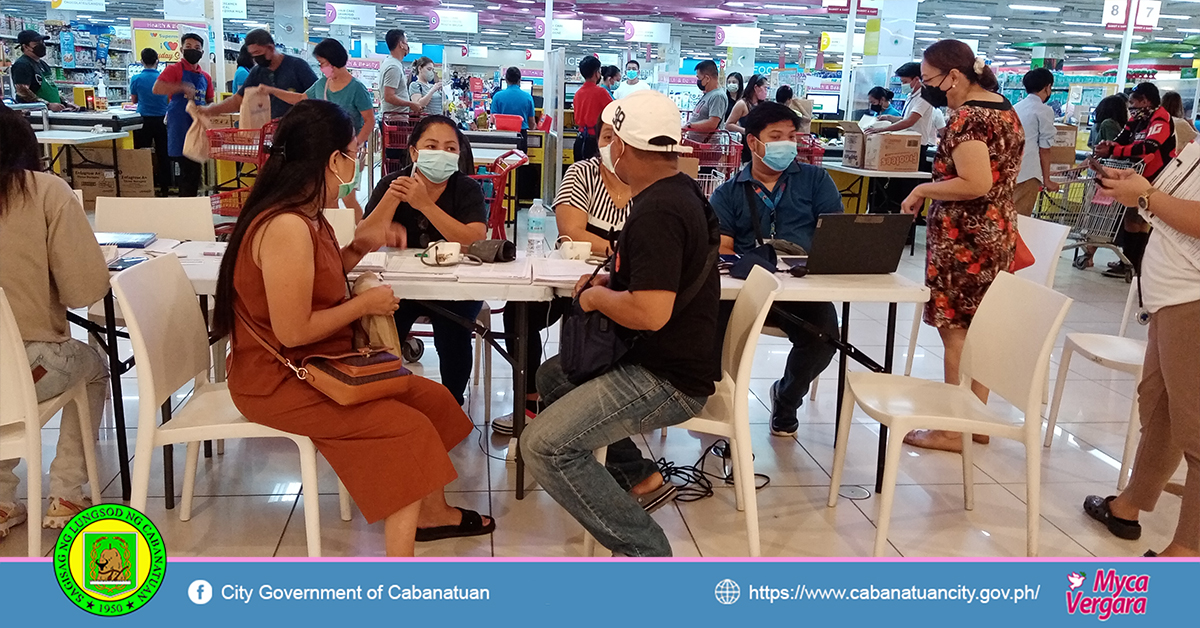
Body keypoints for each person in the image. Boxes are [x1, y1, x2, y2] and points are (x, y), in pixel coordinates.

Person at [213, 100, 492, 557]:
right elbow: (294, 331)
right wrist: (366, 302)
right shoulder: (286, 226)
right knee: (405, 430)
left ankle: (434, 511)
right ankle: (398, 565)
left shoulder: (306, 215)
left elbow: (325, 275)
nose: (354, 163)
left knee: (435, 400)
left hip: (321, 362)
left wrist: (362, 244)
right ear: (332, 160)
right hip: (281, 379)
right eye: (351, 154)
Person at [522, 90, 721, 557]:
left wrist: (595, 297)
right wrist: (618, 279)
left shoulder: (657, 210)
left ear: (626, 148)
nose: (605, 147)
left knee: (544, 447)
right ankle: (637, 475)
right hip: (668, 355)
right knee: (553, 375)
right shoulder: (680, 190)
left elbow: (651, 312)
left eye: (610, 138)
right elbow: (665, 276)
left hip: (666, 376)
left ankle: (645, 551)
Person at [898, 40, 1024, 453]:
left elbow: (975, 182)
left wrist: (924, 188)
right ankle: (977, 420)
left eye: (933, 80)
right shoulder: (1005, 108)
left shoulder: (968, 118)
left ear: (955, 75)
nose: (934, 89)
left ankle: (954, 430)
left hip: (967, 237)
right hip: (997, 229)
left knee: (957, 331)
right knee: (981, 328)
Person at [0, 107, 109, 536]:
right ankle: (66, 491)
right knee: (94, 368)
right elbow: (85, 291)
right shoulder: (44, 191)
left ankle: (3, 499)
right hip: (33, 363)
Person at [1082, 166, 1200, 558]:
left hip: (1191, 298)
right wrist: (1142, 188)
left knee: (1196, 431)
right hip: (1171, 294)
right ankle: (1129, 504)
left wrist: (1148, 197)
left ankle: (1186, 550)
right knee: (1161, 409)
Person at [710, 102, 842, 435]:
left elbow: (837, 236)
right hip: (744, 292)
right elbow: (723, 250)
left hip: (803, 291)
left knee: (823, 340)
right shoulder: (728, 193)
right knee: (715, 341)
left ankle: (786, 397)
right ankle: (721, 416)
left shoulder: (816, 181)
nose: (787, 144)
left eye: (792, 136)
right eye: (776, 136)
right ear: (753, 142)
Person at [362, 116, 487, 406]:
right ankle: (382, 400)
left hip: (455, 288)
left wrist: (425, 205)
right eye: (432, 146)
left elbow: (474, 240)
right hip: (402, 286)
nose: (441, 153)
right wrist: (390, 205)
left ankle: (452, 403)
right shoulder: (394, 183)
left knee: (454, 332)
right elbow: (363, 235)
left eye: (450, 148)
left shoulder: (466, 189)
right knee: (383, 327)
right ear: (415, 151)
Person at [261, 39, 374, 218]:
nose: (322, 68)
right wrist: (273, 91)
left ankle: (362, 233)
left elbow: (369, 120)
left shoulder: (356, 89)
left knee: (348, 197)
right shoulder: (322, 84)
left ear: (334, 61)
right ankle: (335, 234)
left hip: (349, 153)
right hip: (327, 151)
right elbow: (300, 98)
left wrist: (357, 144)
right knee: (329, 197)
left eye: (323, 63)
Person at [1095, 82, 1177, 279]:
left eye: (1133, 101)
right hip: (1138, 173)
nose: (1130, 106)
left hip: (1154, 177)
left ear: (1145, 100)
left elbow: (1149, 146)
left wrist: (1115, 150)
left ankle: (1132, 263)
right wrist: (1109, 145)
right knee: (1135, 219)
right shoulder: (1138, 119)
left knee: (1138, 220)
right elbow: (1123, 138)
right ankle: (1133, 263)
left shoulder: (1161, 119)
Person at [197, 29, 317, 121]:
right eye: (253, 54)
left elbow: (317, 97)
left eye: (258, 53)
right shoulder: (257, 72)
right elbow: (238, 100)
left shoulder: (297, 66)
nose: (255, 58)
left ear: (270, 47)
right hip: (271, 133)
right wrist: (212, 110)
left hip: (300, 130)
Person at [153, 33, 214, 198]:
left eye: (197, 48)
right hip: (180, 126)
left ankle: (190, 201)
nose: (192, 50)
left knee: (195, 168)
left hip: (198, 127)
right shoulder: (173, 70)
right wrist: (181, 87)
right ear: (181, 49)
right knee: (186, 168)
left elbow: (209, 100)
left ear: (202, 52)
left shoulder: (205, 77)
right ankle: (187, 203)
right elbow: (157, 88)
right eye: (188, 47)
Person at [1012, 68, 1061, 217]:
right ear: (1047, 87)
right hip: (1028, 171)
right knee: (1021, 218)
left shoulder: (1015, 107)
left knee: (1008, 216)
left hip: (1010, 168)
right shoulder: (1044, 110)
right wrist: (1047, 179)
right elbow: (1044, 148)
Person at [129, 47, 170, 196]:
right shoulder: (164, 79)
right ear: (157, 61)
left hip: (143, 120)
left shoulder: (136, 79)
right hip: (162, 120)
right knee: (163, 154)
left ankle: (145, 185)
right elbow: (168, 99)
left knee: (143, 154)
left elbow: (134, 100)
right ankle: (165, 187)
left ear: (141, 62)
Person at [11, 30, 71, 110]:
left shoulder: (43, 64)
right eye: (37, 43)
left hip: (51, 112)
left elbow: (51, 87)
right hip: (36, 114)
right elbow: (23, 92)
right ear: (25, 47)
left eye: (42, 42)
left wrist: (65, 103)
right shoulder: (22, 64)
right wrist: (47, 105)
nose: (42, 45)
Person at [571, 56, 612, 163]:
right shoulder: (601, 92)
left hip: (579, 140)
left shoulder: (578, 93)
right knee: (594, 175)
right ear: (596, 73)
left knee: (580, 173)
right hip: (594, 142)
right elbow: (613, 112)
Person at [725, 73, 768, 164]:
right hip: (746, 149)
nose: (766, 91)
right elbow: (728, 124)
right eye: (765, 88)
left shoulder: (762, 105)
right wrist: (746, 131)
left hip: (760, 148)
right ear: (756, 87)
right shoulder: (742, 104)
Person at [380, 29, 421, 116]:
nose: (408, 45)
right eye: (406, 42)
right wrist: (410, 104)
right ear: (401, 44)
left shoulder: (391, 62)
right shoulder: (393, 67)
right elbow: (389, 96)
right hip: (394, 119)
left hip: (394, 118)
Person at [687, 60, 727, 142]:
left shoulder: (718, 96)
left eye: (699, 78)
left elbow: (712, 123)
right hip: (697, 144)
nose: (698, 81)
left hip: (707, 148)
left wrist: (690, 126)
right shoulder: (708, 94)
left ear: (707, 78)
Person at [491, 66, 536, 131]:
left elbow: (493, 120)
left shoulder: (497, 96)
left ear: (506, 79)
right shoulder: (528, 97)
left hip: (502, 135)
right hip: (521, 135)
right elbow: (531, 123)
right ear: (520, 79)